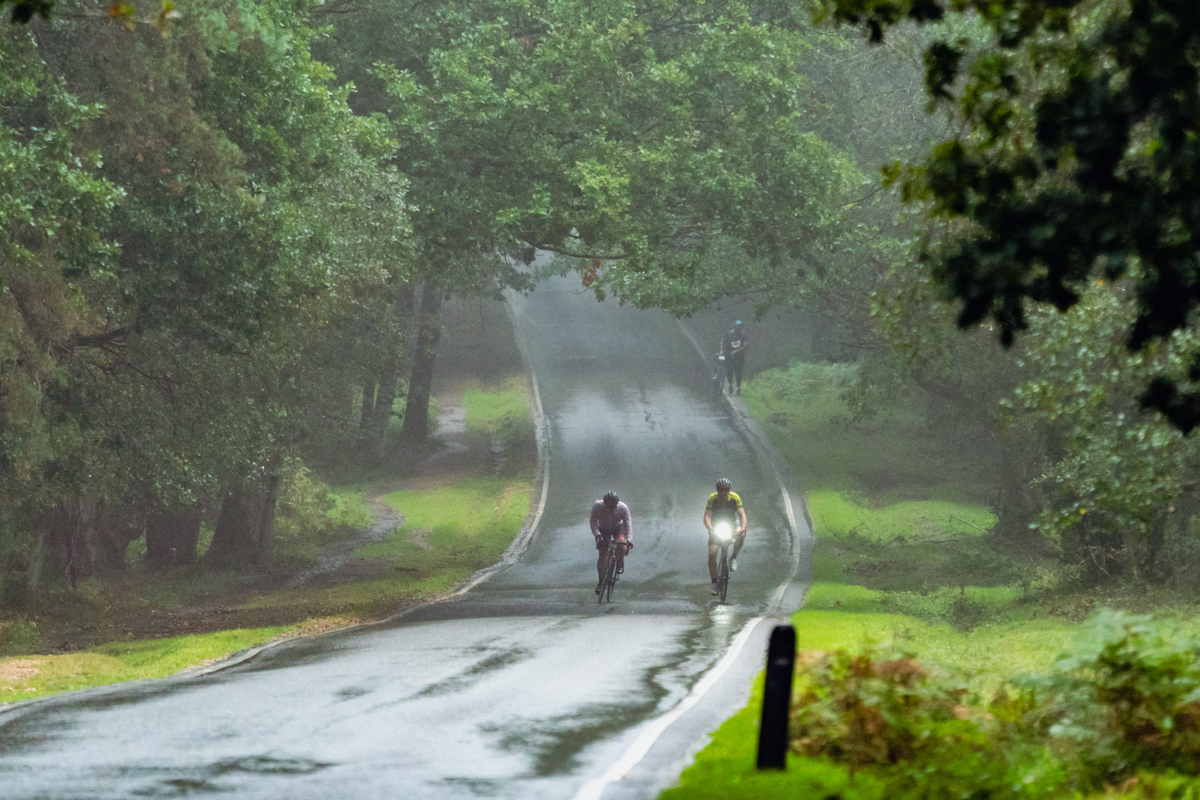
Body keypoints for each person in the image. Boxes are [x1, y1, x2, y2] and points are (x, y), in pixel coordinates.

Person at [704, 477, 747, 594]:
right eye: (720, 490)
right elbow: (707, 516)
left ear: (729, 490)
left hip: (732, 524)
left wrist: (742, 528)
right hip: (716, 526)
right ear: (717, 490)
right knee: (712, 555)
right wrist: (710, 528)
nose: (723, 493)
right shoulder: (712, 498)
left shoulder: (735, 497)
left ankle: (733, 557)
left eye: (726, 490)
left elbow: (742, 514)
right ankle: (714, 582)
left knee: (742, 534)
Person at [591, 490, 633, 594]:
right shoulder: (597, 506)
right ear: (604, 503)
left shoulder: (623, 507)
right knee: (602, 555)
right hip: (603, 529)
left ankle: (620, 561)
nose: (610, 508)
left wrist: (629, 540)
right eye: (608, 506)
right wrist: (597, 534)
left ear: (617, 504)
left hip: (618, 527)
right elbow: (593, 522)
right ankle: (601, 582)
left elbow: (628, 524)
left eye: (613, 506)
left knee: (621, 544)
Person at [719, 320, 748, 394]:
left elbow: (745, 345)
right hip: (729, 356)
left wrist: (737, 351)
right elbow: (722, 341)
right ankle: (730, 385)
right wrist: (721, 350)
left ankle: (738, 388)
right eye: (737, 329)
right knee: (729, 371)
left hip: (739, 357)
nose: (738, 330)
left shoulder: (743, 335)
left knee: (738, 372)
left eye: (740, 329)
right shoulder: (729, 334)